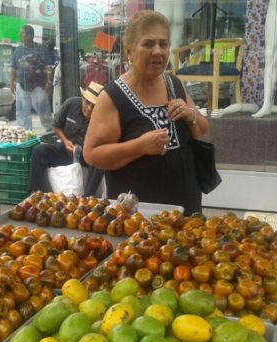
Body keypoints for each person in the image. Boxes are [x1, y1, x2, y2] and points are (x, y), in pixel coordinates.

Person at [83, 10, 209, 214]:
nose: (158, 51)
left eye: (163, 44)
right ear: (129, 52)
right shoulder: (113, 96)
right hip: (138, 218)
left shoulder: (175, 84)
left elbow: (201, 130)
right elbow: (92, 154)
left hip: (186, 209)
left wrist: (190, 115)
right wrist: (140, 146)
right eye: (148, 44)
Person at [28, 81, 105, 196]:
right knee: (39, 151)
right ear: (83, 98)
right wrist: (65, 141)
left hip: (86, 156)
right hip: (66, 150)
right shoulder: (70, 104)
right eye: (87, 103)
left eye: (94, 106)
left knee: (99, 161)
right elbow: (57, 126)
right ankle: (36, 194)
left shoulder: (103, 116)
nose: (89, 108)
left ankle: (88, 198)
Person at [10, 24, 53, 132]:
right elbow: (13, 67)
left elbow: (48, 66)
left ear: (29, 36)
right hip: (22, 86)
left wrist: (49, 82)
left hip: (38, 86)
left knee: (43, 110)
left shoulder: (41, 48)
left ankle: (50, 131)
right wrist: (11, 81)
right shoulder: (18, 50)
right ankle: (26, 134)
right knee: (22, 112)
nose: (19, 35)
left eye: (22, 33)